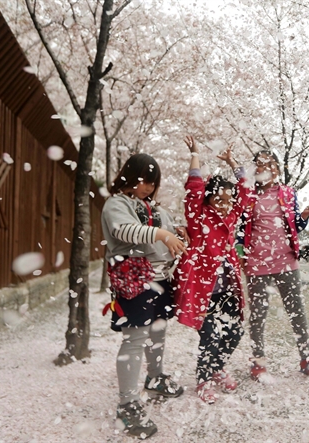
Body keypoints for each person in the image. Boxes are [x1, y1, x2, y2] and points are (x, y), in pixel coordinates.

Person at [101, 153, 187, 439]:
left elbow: (170, 233)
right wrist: (163, 235)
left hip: (162, 280)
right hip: (134, 281)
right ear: (129, 177)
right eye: (143, 181)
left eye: (153, 182)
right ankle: (127, 403)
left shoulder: (156, 209)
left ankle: (154, 377)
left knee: (158, 332)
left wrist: (177, 234)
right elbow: (122, 229)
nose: (148, 187)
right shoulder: (117, 204)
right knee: (135, 338)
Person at [174, 136, 249, 404]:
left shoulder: (230, 216)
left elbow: (246, 194)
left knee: (235, 331)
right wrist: (195, 155)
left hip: (228, 289)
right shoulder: (198, 215)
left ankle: (217, 367)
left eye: (228, 201)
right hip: (203, 290)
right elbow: (194, 188)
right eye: (219, 199)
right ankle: (203, 379)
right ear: (208, 199)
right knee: (210, 336)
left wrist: (233, 163)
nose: (224, 204)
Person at [237, 150, 309, 382]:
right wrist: (241, 258)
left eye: (271, 164)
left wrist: (305, 214)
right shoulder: (248, 196)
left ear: (277, 168)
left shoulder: (287, 193)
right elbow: (240, 231)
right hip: (256, 264)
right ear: (255, 171)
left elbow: (295, 225)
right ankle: (258, 359)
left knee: (297, 312)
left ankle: (307, 358)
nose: (267, 169)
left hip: (287, 261)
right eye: (261, 166)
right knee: (258, 315)